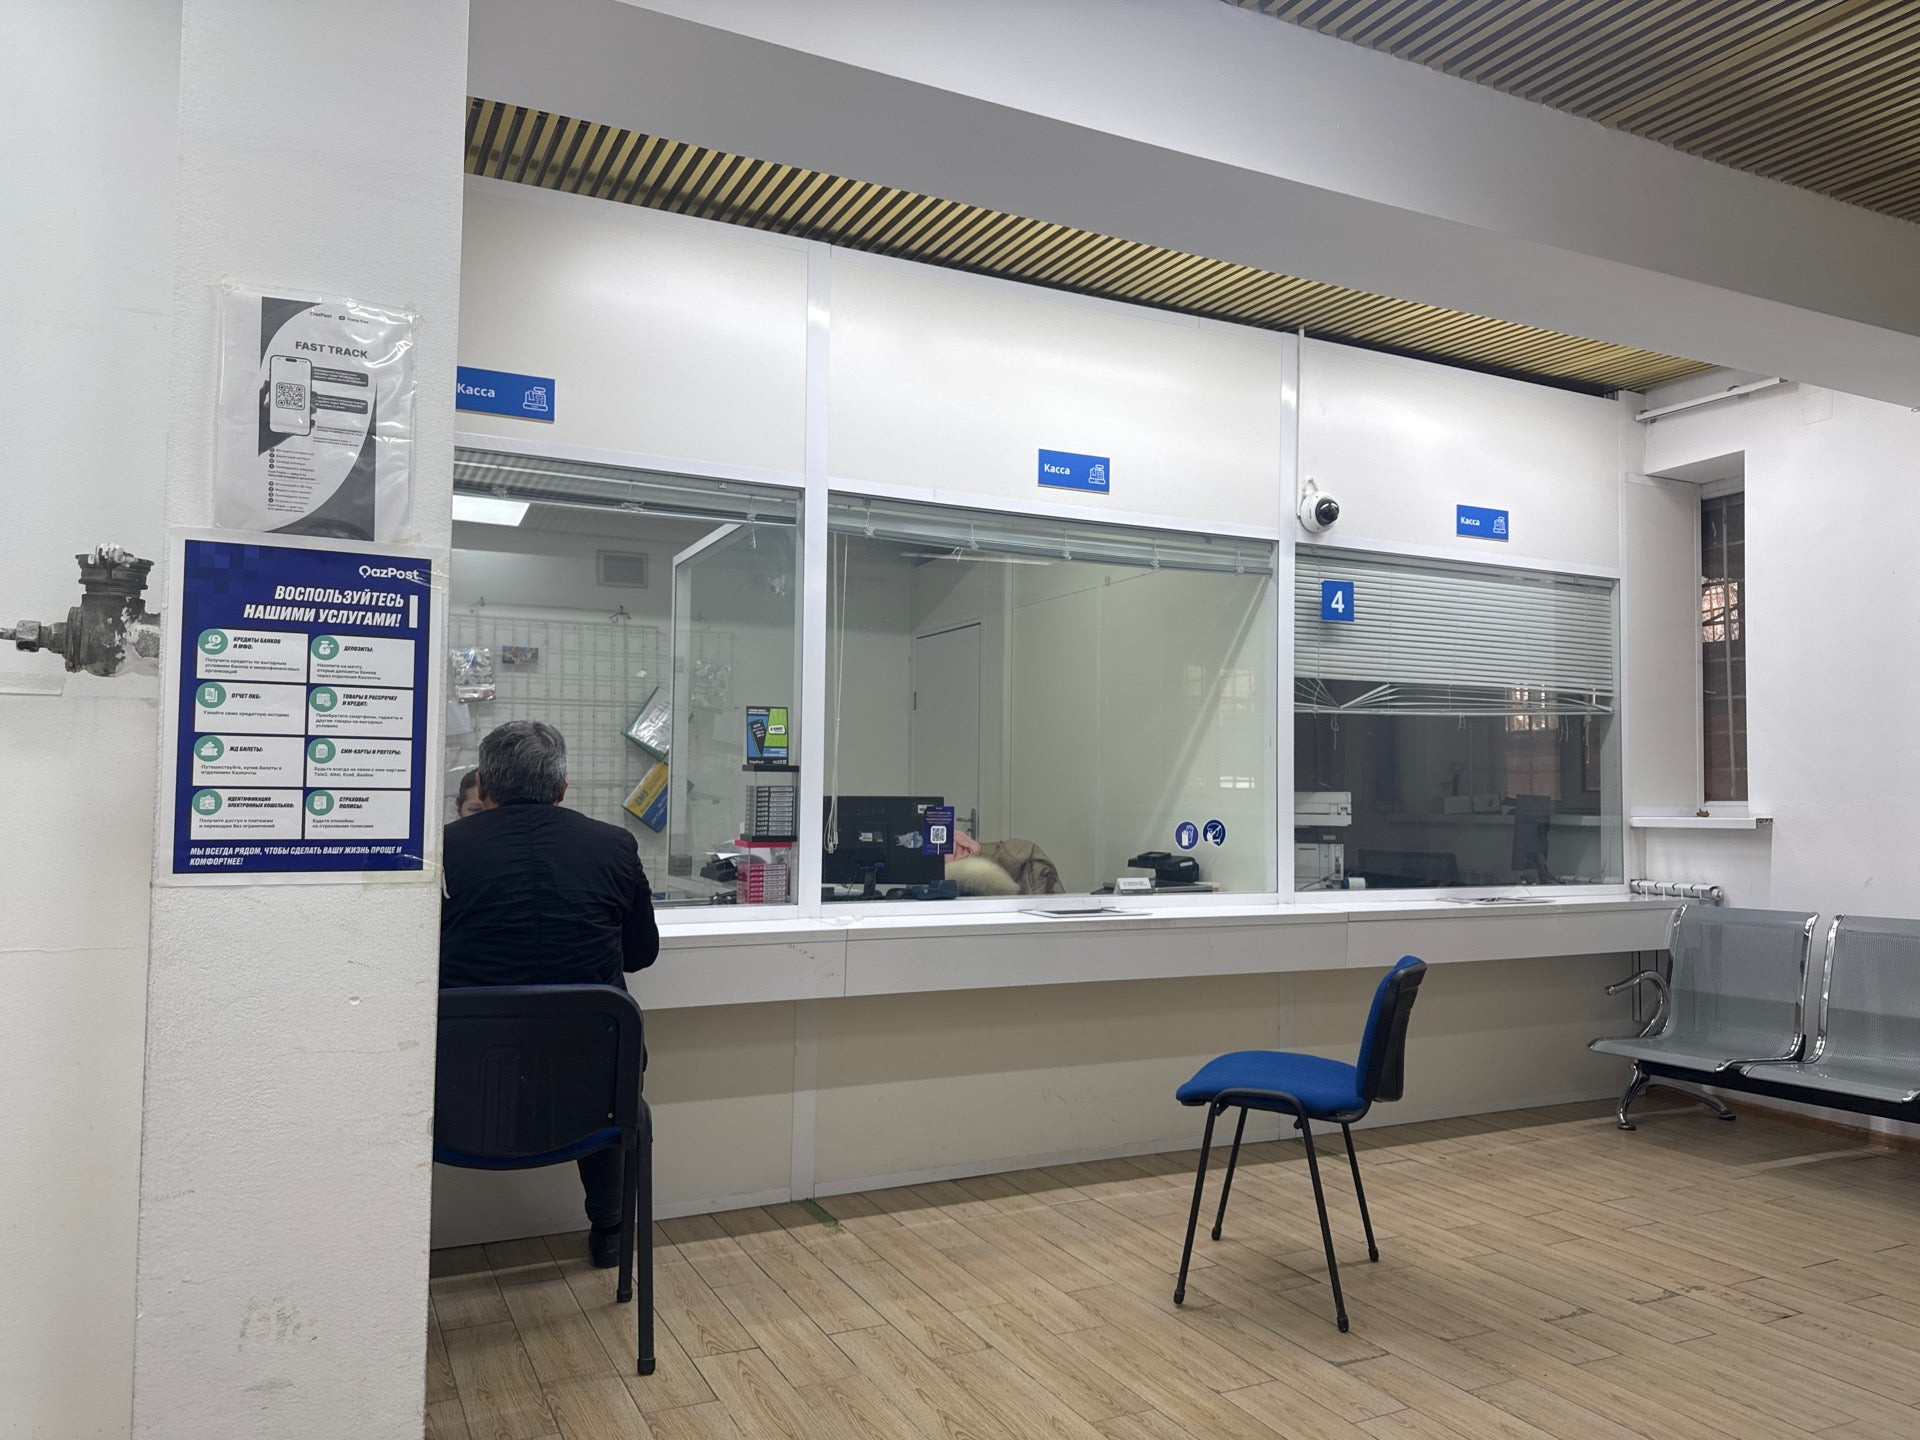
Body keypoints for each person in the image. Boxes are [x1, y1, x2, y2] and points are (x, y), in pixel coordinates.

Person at [440, 721, 660, 1266]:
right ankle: (610, 1234)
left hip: (461, 1089)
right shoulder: (613, 845)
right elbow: (640, 954)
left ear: (483, 787)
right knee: (605, 1071)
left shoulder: (442, 849)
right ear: (562, 788)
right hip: (591, 1084)